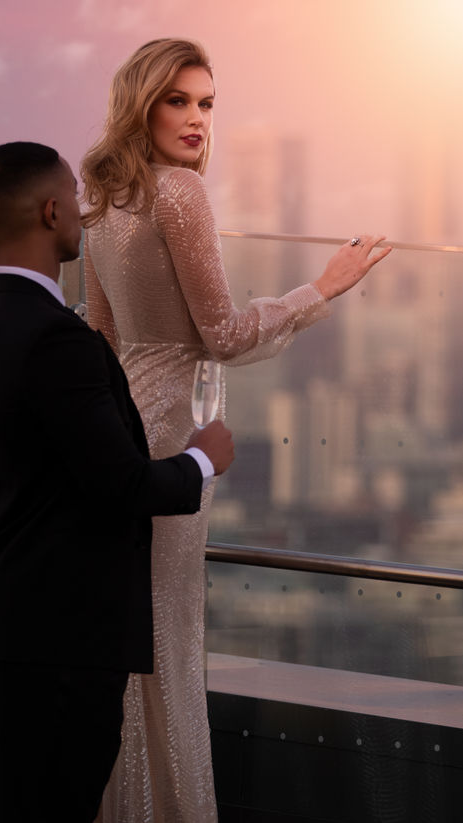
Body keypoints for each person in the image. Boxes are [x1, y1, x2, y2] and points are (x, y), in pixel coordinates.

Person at [81, 38, 392, 822]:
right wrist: (318, 289)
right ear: (141, 104)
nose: (195, 119)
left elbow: (100, 335)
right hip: (174, 440)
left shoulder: (104, 196)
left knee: (126, 637)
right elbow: (219, 333)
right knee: (169, 634)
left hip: (118, 432)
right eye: (177, 100)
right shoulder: (179, 194)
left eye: (206, 103)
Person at [0, 141, 235, 823]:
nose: (80, 210)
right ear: (49, 211)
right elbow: (124, 485)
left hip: (4, 621)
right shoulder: (59, 342)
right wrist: (201, 458)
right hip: (67, 637)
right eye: (72, 196)